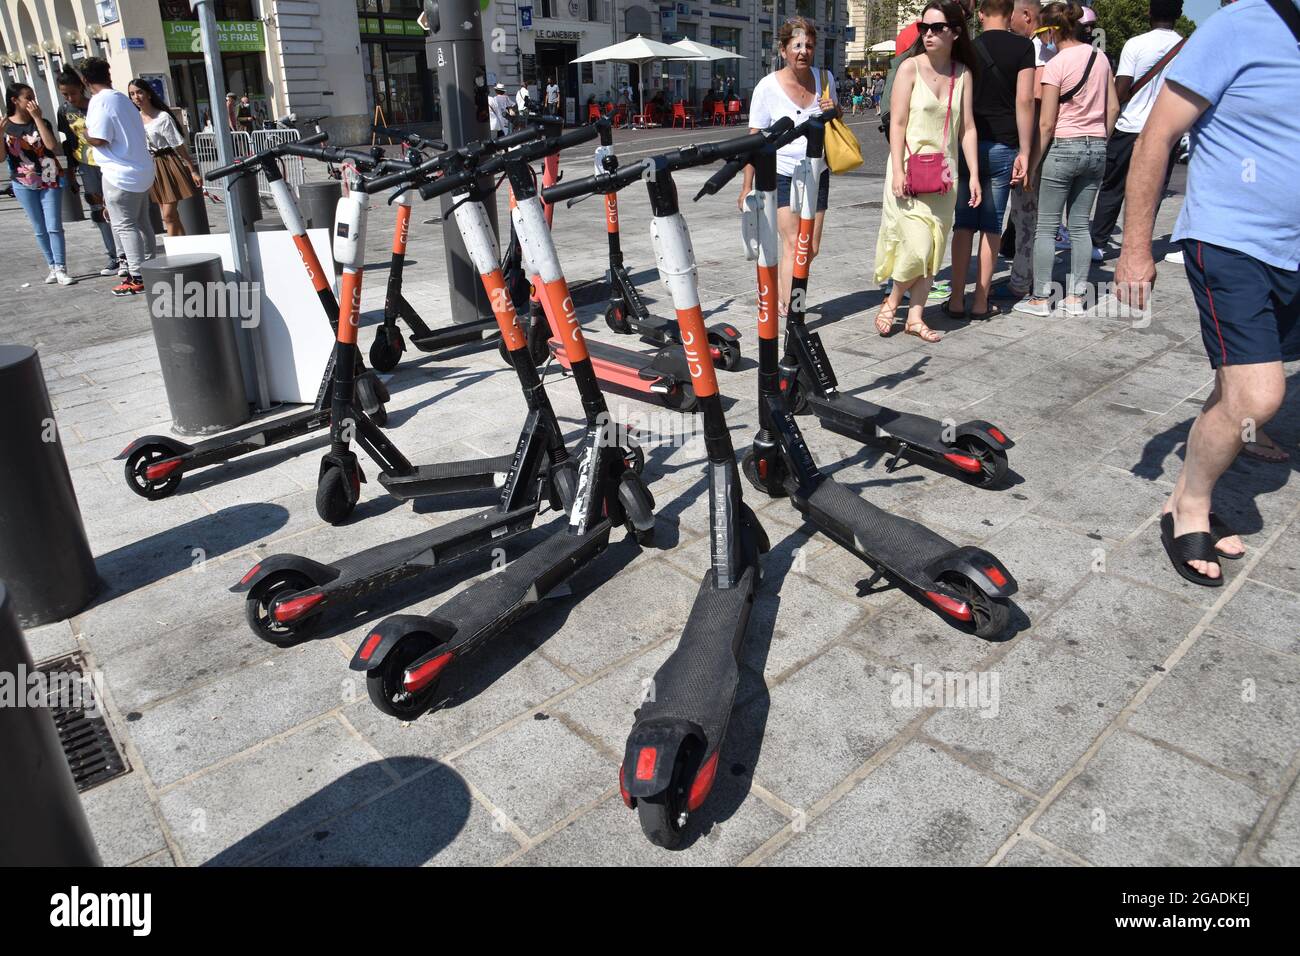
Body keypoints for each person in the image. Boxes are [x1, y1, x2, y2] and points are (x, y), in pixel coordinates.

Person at [1116, 0, 1300, 584]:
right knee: (1257, 397)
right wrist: (1135, 248)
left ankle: (1192, 481)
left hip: (1292, 250)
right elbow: (1156, 138)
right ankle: (1188, 506)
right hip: (1230, 243)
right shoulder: (1237, 25)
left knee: (1236, 386)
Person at [872, 1, 981, 342]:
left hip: (945, 175)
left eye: (937, 28)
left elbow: (968, 129)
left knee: (934, 246)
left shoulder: (963, 73)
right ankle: (892, 302)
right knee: (917, 245)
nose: (928, 34)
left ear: (955, 32)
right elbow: (898, 123)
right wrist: (899, 170)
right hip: (908, 171)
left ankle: (916, 316)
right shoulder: (908, 68)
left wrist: (974, 174)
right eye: (924, 28)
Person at [1014, 1, 1117, 317]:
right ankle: (1075, 298)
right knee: (1080, 227)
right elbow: (1113, 108)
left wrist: (1032, 163)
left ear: (1054, 30)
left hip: (1062, 147)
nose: (1043, 39)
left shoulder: (1056, 64)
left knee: (1046, 227)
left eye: (1044, 32)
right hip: (1096, 148)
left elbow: (1046, 123)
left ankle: (1042, 298)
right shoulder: (1100, 59)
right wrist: (1100, 138)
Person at [739, 16, 836, 319]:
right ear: (783, 50)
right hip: (780, 172)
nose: (803, 51)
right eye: (796, 45)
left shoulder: (825, 79)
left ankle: (791, 300)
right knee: (793, 242)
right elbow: (754, 139)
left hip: (817, 171)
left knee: (812, 247)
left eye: (808, 45)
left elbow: (834, 120)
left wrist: (837, 111)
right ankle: (790, 307)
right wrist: (746, 186)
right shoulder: (767, 87)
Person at [945, 0, 1035, 320]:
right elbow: (1025, 100)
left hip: (967, 144)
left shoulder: (967, 48)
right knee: (992, 225)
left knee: (964, 222)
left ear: (981, 14)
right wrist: (1025, 150)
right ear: (1010, 14)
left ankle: (956, 299)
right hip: (1004, 145)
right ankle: (981, 302)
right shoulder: (1024, 48)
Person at [1088, 0, 1185, 260]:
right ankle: (1138, 244)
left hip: (1129, 126)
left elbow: (1121, 90)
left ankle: (1098, 241)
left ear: (1149, 12)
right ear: (1179, 15)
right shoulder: (1189, 47)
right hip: (1166, 130)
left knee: (1113, 187)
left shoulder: (1136, 44)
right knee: (1153, 190)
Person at [82, 57, 156, 297]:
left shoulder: (100, 101)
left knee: (125, 225)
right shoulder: (122, 100)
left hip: (119, 173)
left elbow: (101, 138)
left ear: (85, 80)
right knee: (142, 221)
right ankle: (150, 266)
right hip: (141, 170)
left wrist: (85, 134)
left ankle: (137, 276)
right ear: (108, 75)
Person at [998, 0, 1051, 300]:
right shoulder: (1045, 45)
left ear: (1027, 16)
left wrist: (1027, 153)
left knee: (1026, 213)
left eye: (1012, 15)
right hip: (1042, 144)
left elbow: (1034, 98)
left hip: (1032, 145)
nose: (1008, 21)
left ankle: (1022, 279)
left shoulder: (1036, 50)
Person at [4, 83, 75, 285]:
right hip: (22, 181)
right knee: (39, 228)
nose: (33, 102)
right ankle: (51, 266)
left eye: (33, 97)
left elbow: (53, 146)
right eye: (28, 98)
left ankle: (61, 267)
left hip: (49, 177)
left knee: (54, 226)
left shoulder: (41, 121)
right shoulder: (6, 126)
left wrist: (37, 119)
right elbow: (1, 158)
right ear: (15, 101)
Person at [57, 67, 122, 277]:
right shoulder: (64, 111)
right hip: (85, 164)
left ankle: (126, 253)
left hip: (108, 162)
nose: (69, 98)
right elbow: (68, 142)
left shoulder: (96, 104)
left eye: (72, 93)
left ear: (82, 88)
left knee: (117, 208)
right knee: (98, 210)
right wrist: (70, 173)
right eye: (64, 94)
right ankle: (113, 255)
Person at [128, 79, 201, 238]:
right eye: (132, 94)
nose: (136, 97)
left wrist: (192, 170)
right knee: (172, 216)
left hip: (168, 164)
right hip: (150, 166)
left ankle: (173, 255)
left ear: (148, 93)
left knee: (167, 216)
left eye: (139, 92)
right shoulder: (134, 118)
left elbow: (178, 145)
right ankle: (184, 249)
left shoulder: (162, 117)